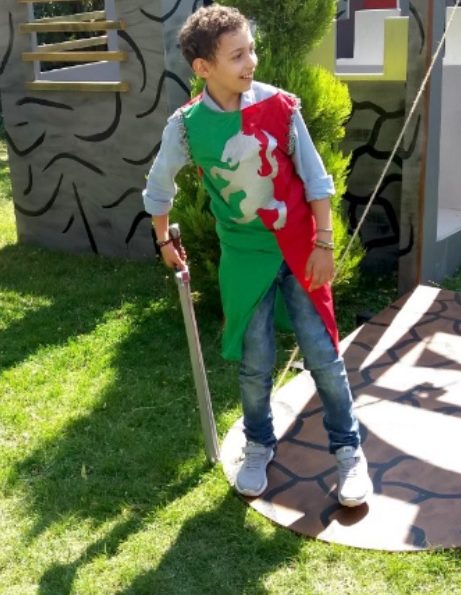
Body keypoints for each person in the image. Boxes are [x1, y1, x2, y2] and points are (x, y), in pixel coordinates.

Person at [143, 5, 372, 506]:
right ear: (203, 67)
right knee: (255, 361)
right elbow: (158, 186)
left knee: (323, 355)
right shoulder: (187, 126)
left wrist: (325, 244)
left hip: (300, 246)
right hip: (244, 254)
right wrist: (163, 240)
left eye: (251, 50)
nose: (251, 62)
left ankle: (348, 450)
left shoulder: (280, 107)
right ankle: (259, 443)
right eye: (237, 55)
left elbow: (316, 180)